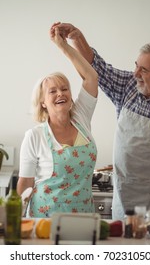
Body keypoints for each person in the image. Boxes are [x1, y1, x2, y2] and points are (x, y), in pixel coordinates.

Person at [54, 22, 150, 220]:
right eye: (136, 66)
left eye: (144, 70)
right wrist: (77, 38)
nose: (135, 74)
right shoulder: (130, 87)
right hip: (122, 202)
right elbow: (98, 69)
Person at [17, 23, 99, 218]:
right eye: (52, 91)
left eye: (64, 89)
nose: (60, 94)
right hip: (44, 223)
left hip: (84, 220)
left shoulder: (81, 117)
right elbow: (25, 184)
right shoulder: (34, 136)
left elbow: (91, 77)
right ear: (43, 102)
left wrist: (63, 46)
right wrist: (16, 223)